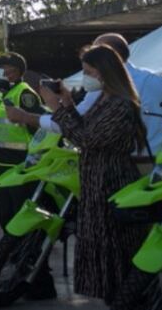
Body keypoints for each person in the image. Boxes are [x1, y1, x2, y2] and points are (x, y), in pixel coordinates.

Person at [40, 45, 148, 306]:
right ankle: (114, 297)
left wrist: (57, 108)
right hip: (95, 183)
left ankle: (125, 299)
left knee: (116, 249)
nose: (85, 76)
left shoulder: (121, 105)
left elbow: (86, 139)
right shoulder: (105, 99)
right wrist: (67, 103)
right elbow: (84, 129)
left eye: (89, 71)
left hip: (111, 183)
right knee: (102, 248)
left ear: (105, 72)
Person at [12, 34, 162, 162]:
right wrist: (67, 103)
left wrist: (29, 116)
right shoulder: (160, 81)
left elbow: (82, 134)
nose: (86, 75)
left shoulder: (109, 93)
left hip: (128, 164)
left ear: (108, 57)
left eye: (95, 52)